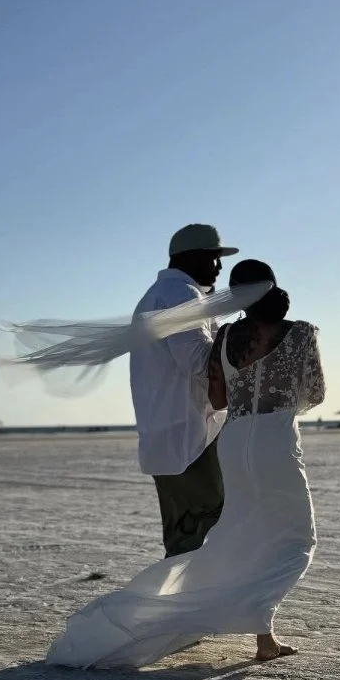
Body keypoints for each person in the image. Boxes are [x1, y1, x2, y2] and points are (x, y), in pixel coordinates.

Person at [46, 260, 325, 669]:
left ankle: (264, 635)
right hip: (275, 440)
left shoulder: (227, 335)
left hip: (233, 440)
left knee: (240, 535)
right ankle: (255, 622)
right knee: (297, 539)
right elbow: (314, 392)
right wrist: (280, 397)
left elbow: (218, 400)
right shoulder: (300, 333)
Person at [129, 222, 239, 558]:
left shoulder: (157, 295)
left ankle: (175, 607)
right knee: (203, 533)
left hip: (170, 438)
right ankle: (180, 608)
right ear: (195, 258)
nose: (220, 268)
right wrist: (239, 337)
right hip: (189, 440)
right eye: (215, 258)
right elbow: (197, 360)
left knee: (184, 539)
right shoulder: (181, 295)